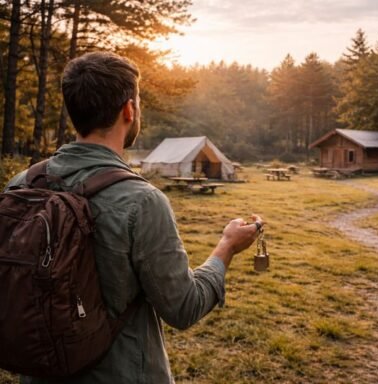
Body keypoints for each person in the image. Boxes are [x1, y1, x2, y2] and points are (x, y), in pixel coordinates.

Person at [4, 51, 263, 383]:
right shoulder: (142, 201)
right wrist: (226, 247)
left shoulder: (21, 185)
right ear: (129, 109)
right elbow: (184, 307)